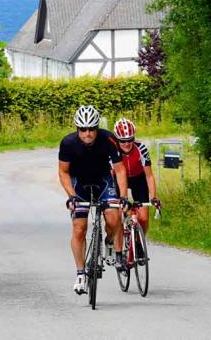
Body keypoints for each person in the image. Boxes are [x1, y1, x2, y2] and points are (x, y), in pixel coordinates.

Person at [59, 105, 129, 295]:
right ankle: (81, 273)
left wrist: (123, 196)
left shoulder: (108, 139)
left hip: (103, 181)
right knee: (79, 229)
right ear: (77, 129)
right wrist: (71, 196)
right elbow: (63, 172)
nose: (87, 133)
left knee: (114, 219)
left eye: (91, 129)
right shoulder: (68, 143)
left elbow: (120, 169)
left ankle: (108, 242)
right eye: (83, 129)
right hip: (79, 184)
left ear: (97, 128)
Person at [112, 118, 161, 243]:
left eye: (130, 139)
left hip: (139, 179)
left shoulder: (141, 148)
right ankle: (120, 247)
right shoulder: (113, 150)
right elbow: (109, 174)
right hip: (118, 180)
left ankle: (139, 243)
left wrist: (153, 197)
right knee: (117, 215)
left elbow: (149, 175)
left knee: (144, 217)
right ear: (117, 139)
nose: (127, 144)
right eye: (123, 141)